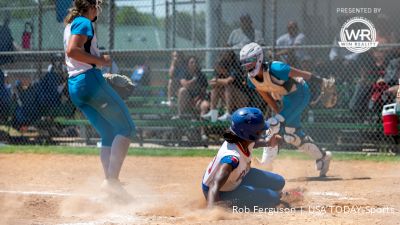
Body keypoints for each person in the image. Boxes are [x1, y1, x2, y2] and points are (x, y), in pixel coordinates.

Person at [63, 0, 135, 198]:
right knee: (126, 128)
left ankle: (110, 183)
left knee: (109, 132)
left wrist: (97, 72)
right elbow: (73, 51)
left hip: (76, 86)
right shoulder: (83, 22)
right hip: (88, 81)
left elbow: (75, 58)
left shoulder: (70, 25)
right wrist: (100, 61)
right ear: (90, 7)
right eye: (97, 6)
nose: (98, 11)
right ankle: (112, 182)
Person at [240, 42, 335, 177]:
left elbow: (301, 74)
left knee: (272, 125)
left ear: (259, 58)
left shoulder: (277, 68)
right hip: (287, 99)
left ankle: (266, 166)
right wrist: (279, 114)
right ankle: (323, 157)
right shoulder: (252, 80)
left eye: (250, 61)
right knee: (292, 135)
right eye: (245, 63)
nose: (247, 65)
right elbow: (267, 97)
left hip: (300, 94)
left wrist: (321, 81)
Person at [202, 107, 303, 209]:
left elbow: (253, 144)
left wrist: (268, 143)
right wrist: (214, 209)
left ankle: (259, 193)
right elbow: (215, 184)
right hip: (223, 190)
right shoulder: (231, 158)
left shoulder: (242, 139)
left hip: (238, 177)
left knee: (279, 181)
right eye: (259, 131)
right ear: (248, 134)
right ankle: (234, 200)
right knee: (272, 198)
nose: (262, 132)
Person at [202, 51, 248, 122]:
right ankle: (213, 112)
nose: (218, 71)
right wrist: (217, 81)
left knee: (228, 86)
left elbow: (228, 81)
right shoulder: (219, 72)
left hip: (242, 99)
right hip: (228, 100)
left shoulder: (235, 66)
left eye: (220, 69)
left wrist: (217, 81)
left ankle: (228, 114)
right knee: (216, 87)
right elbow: (211, 83)